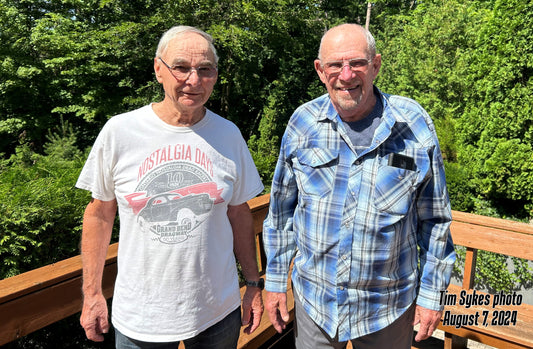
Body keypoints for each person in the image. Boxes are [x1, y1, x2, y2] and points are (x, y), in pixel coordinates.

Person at [263, 23, 456, 349]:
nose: (347, 74)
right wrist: (275, 281)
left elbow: (435, 220)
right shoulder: (302, 122)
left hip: (388, 308)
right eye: (335, 65)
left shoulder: (413, 124)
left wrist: (432, 296)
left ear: (376, 65)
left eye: (358, 63)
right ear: (321, 71)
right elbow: (281, 214)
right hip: (316, 302)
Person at [77, 25, 265, 348]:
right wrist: (92, 294)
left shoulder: (229, 135)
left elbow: (239, 213)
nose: (194, 80)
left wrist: (253, 284)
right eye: (181, 67)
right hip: (140, 318)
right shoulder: (120, 132)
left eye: (205, 70)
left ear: (215, 76)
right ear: (158, 70)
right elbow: (99, 215)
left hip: (217, 311)